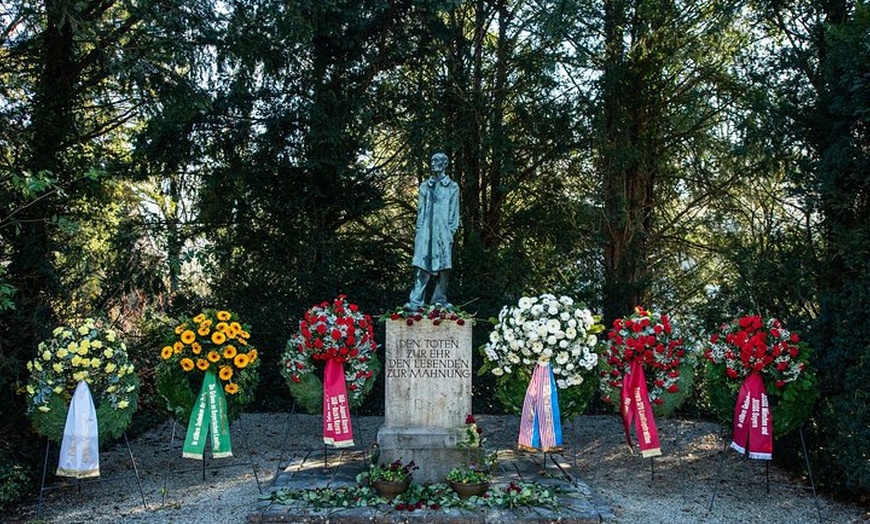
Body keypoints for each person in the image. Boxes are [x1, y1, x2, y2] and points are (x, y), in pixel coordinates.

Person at [405, 152, 460, 310]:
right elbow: (421, 212)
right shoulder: (424, 186)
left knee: (444, 268)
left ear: (445, 164)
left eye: (436, 161)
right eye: (432, 160)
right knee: (421, 265)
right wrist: (418, 232)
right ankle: (416, 301)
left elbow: (454, 213)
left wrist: (450, 233)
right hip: (425, 233)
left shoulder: (452, 186)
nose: (433, 163)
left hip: (443, 233)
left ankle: (439, 299)